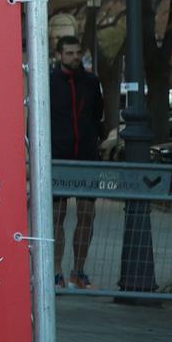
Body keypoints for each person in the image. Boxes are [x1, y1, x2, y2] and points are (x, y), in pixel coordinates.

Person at [50, 36, 104, 288]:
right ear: (59, 54)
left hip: (86, 157)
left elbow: (98, 115)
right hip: (57, 157)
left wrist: (93, 140)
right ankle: (56, 271)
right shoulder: (48, 81)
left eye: (77, 52)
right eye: (69, 53)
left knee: (87, 215)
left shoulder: (92, 82)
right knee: (56, 216)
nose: (74, 57)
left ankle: (79, 271)